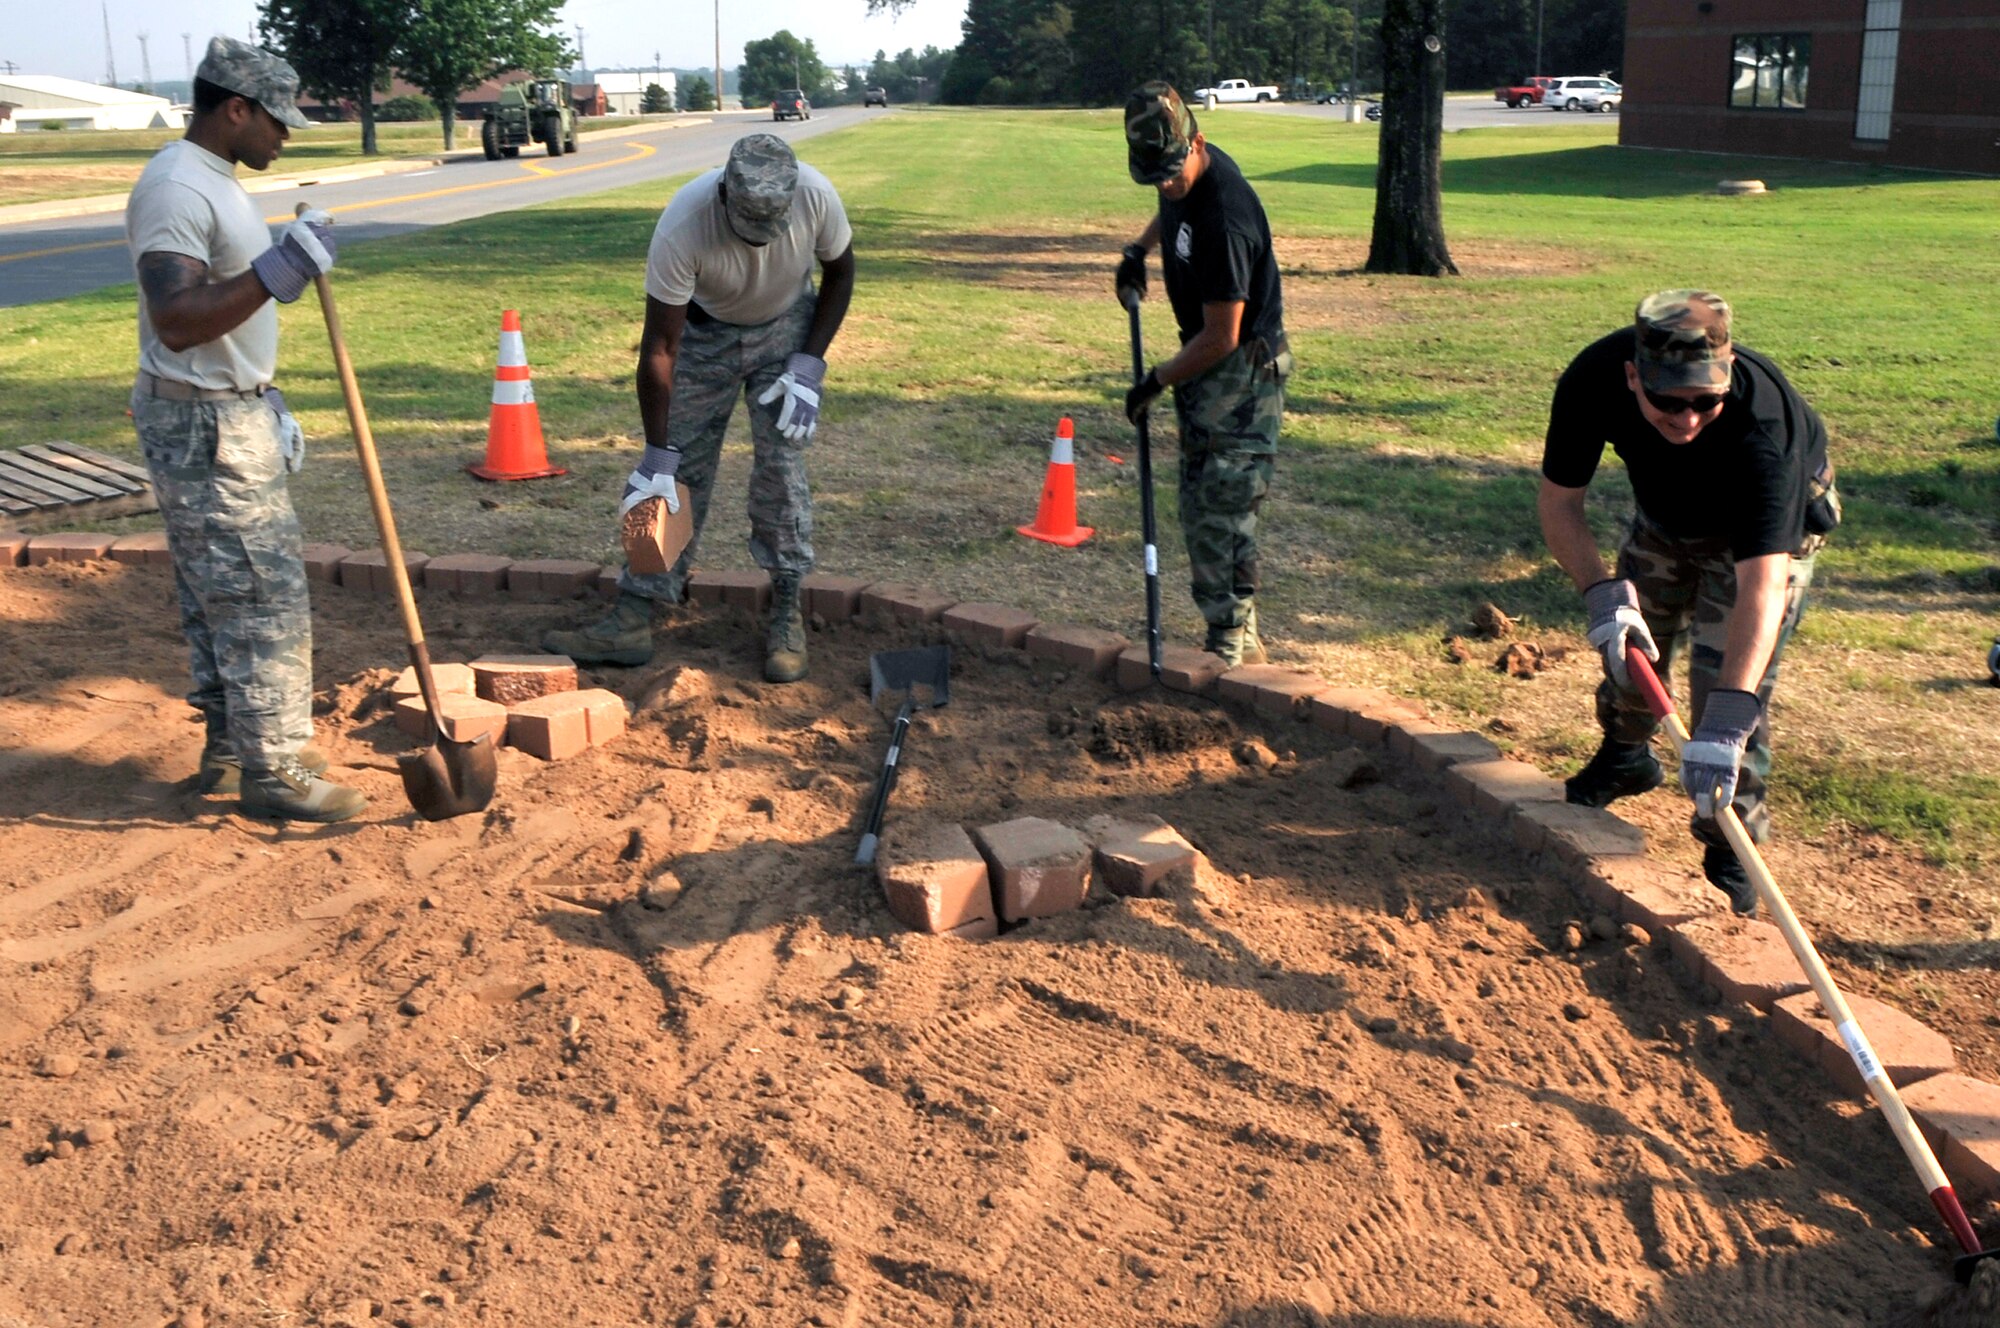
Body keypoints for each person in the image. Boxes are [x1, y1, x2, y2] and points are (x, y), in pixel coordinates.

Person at [1538, 290, 1840, 913]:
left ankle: (1730, 846)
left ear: (1727, 378)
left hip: (1759, 542)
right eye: (1668, 402)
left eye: (1706, 401)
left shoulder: (1766, 426)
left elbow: (1763, 583)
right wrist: (1600, 592)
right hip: (1665, 517)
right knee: (1628, 650)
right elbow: (1559, 504)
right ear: (1633, 377)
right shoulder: (1593, 379)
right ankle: (1625, 756)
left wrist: (1728, 720)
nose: (1688, 419)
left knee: (1723, 701)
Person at [126, 35, 364, 823]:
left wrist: (266, 392)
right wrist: (279, 272)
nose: (284, 135)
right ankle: (276, 766)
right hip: (204, 423)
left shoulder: (211, 178)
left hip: (227, 409)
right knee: (261, 591)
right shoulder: (175, 189)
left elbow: (218, 316)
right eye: (277, 120)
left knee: (219, 590)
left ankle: (235, 747)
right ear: (235, 108)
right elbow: (176, 319)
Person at [544, 134, 856, 682]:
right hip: (704, 336)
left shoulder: (815, 195)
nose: (759, 243)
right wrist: (656, 451)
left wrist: (810, 362)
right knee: (672, 477)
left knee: (781, 468)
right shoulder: (683, 225)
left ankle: (786, 610)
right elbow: (661, 347)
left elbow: (841, 272)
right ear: (724, 197)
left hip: (785, 329)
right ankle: (634, 614)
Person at [1115, 81, 1290, 668]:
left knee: (1221, 509)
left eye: (1171, 173)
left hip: (1242, 375)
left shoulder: (1224, 217)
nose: (1165, 185)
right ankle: (1243, 638)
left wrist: (1156, 381)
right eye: (1153, 176)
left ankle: (1228, 647)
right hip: (1211, 364)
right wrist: (1138, 251)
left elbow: (1223, 336)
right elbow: (1170, 209)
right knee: (1206, 505)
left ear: (1199, 142)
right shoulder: (1179, 169)